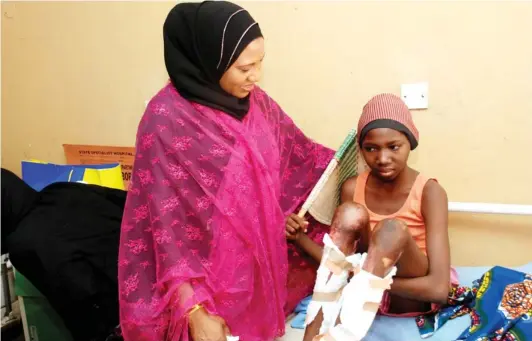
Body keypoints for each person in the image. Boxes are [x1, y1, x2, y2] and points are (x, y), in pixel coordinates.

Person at [117, 2, 333, 340]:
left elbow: (301, 158)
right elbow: (163, 231)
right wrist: (193, 308)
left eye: (260, 63)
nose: (255, 76)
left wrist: (359, 162)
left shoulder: (257, 103)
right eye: (244, 67)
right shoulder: (165, 120)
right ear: (208, 61)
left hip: (260, 270)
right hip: (207, 282)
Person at [286, 94, 457, 340]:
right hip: (363, 289)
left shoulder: (430, 192)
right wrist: (299, 238)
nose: (383, 158)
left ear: (410, 142)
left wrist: (367, 282)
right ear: (362, 149)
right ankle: (312, 336)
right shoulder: (351, 188)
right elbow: (340, 264)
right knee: (350, 213)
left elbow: (440, 289)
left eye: (393, 146)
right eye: (371, 148)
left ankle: (344, 334)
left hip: (406, 296)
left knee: (391, 230)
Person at [1, 168, 126, 341]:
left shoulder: (23, 246)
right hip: (161, 281)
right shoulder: (58, 190)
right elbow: (130, 202)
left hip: (131, 316)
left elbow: (80, 303)